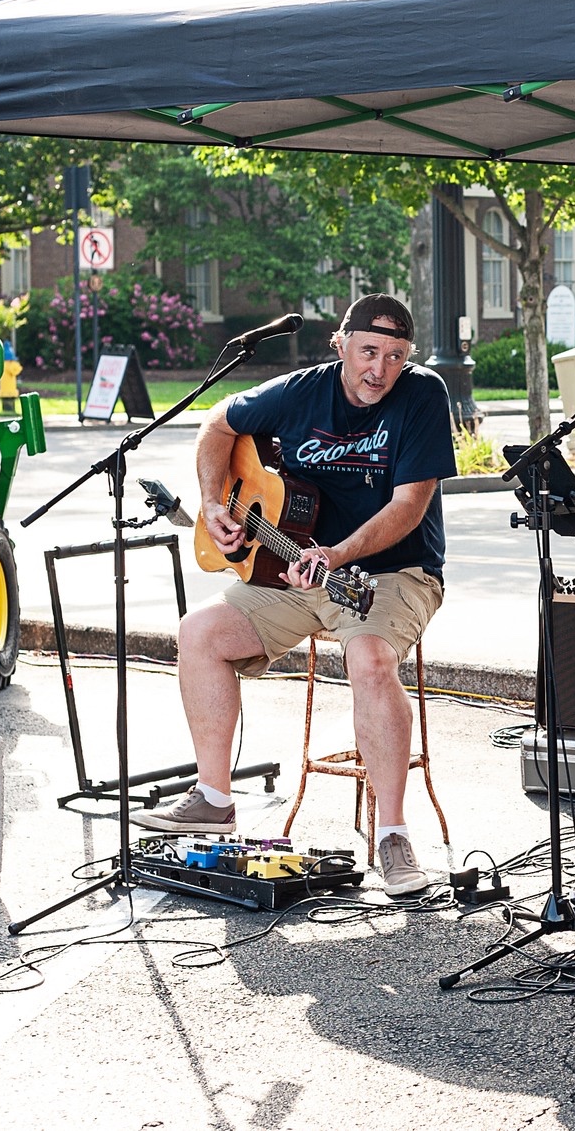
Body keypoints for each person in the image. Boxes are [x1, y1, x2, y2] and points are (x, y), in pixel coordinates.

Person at [131, 294, 456, 897]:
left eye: (394, 356)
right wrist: (210, 503)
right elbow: (218, 424)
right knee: (199, 633)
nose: (379, 369)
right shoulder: (301, 390)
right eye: (367, 351)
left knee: (369, 659)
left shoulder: (423, 395)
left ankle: (391, 835)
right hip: (288, 569)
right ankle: (213, 798)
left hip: (389, 573)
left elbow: (409, 507)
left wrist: (334, 555)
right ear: (340, 343)